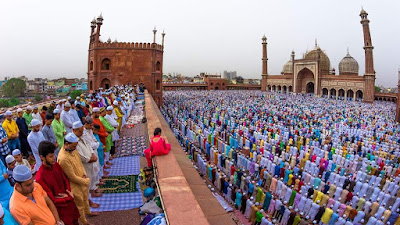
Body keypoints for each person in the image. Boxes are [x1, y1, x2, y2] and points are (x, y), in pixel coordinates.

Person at [58, 133, 98, 225]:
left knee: (85, 198)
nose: (75, 148)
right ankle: (84, 222)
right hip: (74, 185)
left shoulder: (73, 150)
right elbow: (71, 177)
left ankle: (88, 213)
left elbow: (80, 163)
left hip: (82, 179)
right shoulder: (63, 158)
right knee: (79, 205)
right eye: (73, 146)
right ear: (67, 144)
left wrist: (84, 174)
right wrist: (86, 181)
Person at [36, 141, 80, 225]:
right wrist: (69, 197)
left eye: (54, 155)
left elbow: (65, 179)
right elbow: (51, 200)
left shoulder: (56, 165)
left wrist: (68, 192)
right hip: (60, 211)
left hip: (70, 204)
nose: (54, 158)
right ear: (42, 157)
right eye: (50, 156)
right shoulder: (40, 178)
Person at [74, 120, 102, 198]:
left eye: (82, 130)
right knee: (86, 181)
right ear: (74, 130)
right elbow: (80, 155)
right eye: (80, 131)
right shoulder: (74, 140)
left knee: (93, 174)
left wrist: (92, 154)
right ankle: (89, 198)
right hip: (85, 163)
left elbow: (88, 146)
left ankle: (93, 190)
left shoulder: (82, 136)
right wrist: (89, 159)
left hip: (91, 157)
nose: (82, 132)